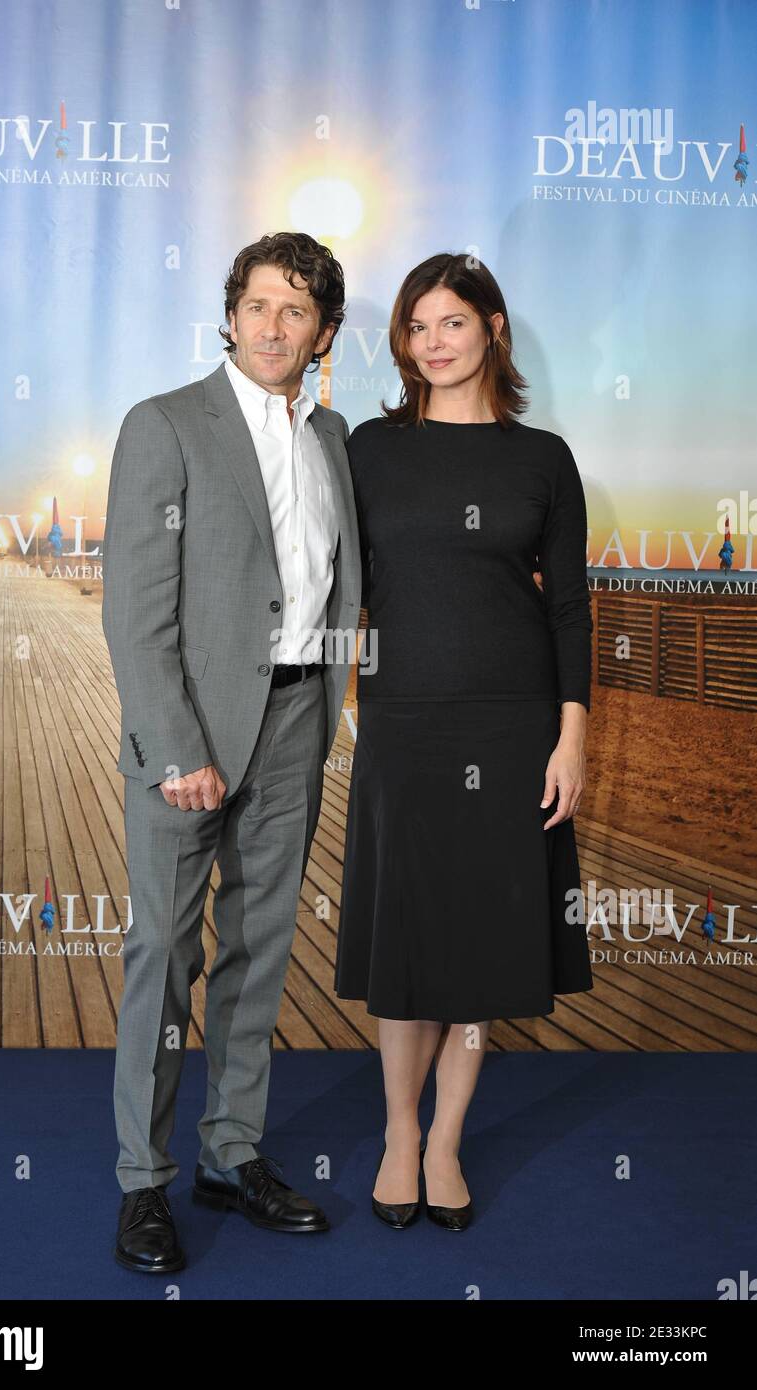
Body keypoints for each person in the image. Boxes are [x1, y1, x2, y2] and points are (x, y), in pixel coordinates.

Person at [102, 232, 361, 1272]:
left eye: (293, 309)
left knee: (259, 959)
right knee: (166, 959)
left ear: (322, 333)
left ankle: (231, 1153)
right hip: (188, 735)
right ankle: (141, 1182)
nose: (270, 324)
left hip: (297, 721)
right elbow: (134, 609)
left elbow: (333, 586)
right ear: (230, 313)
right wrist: (176, 745)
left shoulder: (332, 436)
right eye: (255, 303)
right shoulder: (165, 423)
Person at [335, 252, 594, 1231]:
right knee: (409, 940)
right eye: (416, 325)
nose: (432, 341)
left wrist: (571, 737)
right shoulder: (369, 448)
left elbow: (568, 609)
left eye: (452, 321)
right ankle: (399, 1133)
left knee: (483, 946)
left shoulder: (543, 459)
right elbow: (329, 575)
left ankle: (446, 1144)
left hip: (515, 720)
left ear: (491, 328)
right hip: (403, 720)